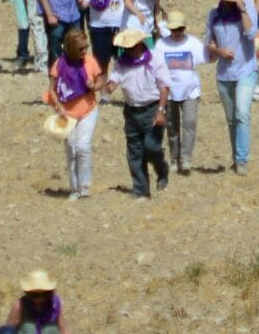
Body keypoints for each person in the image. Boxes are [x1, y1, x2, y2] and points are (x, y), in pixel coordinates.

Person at [104, 26, 171, 199]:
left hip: (152, 107)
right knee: (134, 150)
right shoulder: (121, 63)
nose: (129, 50)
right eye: (126, 47)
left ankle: (161, 168)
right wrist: (103, 84)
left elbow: (164, 86)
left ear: (141, 44)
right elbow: (111, 85)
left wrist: (161, 111)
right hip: (132, 111)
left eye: (132, 46)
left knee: (151, 147)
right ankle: (141, 189)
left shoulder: (155, 59)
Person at [206, 0, 259, 175]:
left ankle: (242, 159)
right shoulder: (213, 15)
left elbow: (252, 33)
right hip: (224, 73)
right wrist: (219, 50)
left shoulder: (247, 9)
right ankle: (236, 157)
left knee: (242, 113)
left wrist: (243, 9)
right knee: (231, 119)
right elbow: (208, 43)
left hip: (246, 69)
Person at [45, 28, 102, 200]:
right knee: (71, 149)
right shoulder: (59, 65)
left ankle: (84, 186)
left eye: (86, 47)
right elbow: (52, 90)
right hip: (67, 114)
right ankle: (74, 188)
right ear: (71, 48)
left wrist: (94, 86)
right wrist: (59, 107)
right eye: (81, 49)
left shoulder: (90, 62)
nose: (84, 52)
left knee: (82, 146)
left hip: (88, 110)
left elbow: (100, 80)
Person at [157, 10, 205, 174]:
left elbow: (207, 56)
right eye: (173, 30)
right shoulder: (161, 45)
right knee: (172, 126)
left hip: (191, 91)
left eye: (179, 29)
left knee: (189, 123)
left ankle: (186, 158)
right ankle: (174, 158)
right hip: (169, 93)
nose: (176, 33)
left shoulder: (193, 43)